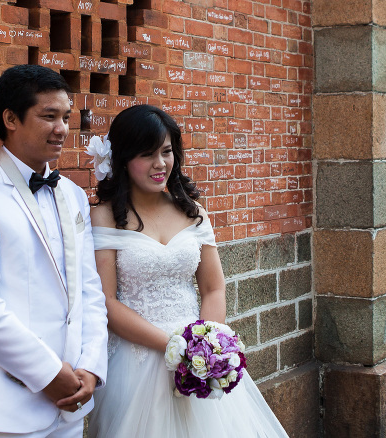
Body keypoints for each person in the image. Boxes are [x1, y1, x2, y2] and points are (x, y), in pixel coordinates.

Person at [85, 104, 289, 437]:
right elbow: (106, 301)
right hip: (136, 360)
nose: (160, 164)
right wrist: (174, 348)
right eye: (147, 154)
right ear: (123, 158)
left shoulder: (194, 213)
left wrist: (206, 348)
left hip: (198, 358)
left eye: (166, 152)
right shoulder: (104, 218)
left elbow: (213, 288)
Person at [0, 64, 108, 438]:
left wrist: (91, 365)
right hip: (5, 403)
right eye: (49, 116)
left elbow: (89, 289)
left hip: (72, 398)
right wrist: (48, 373)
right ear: (10, 118)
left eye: (65, 117)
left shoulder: (73, 195)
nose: (62, 129)